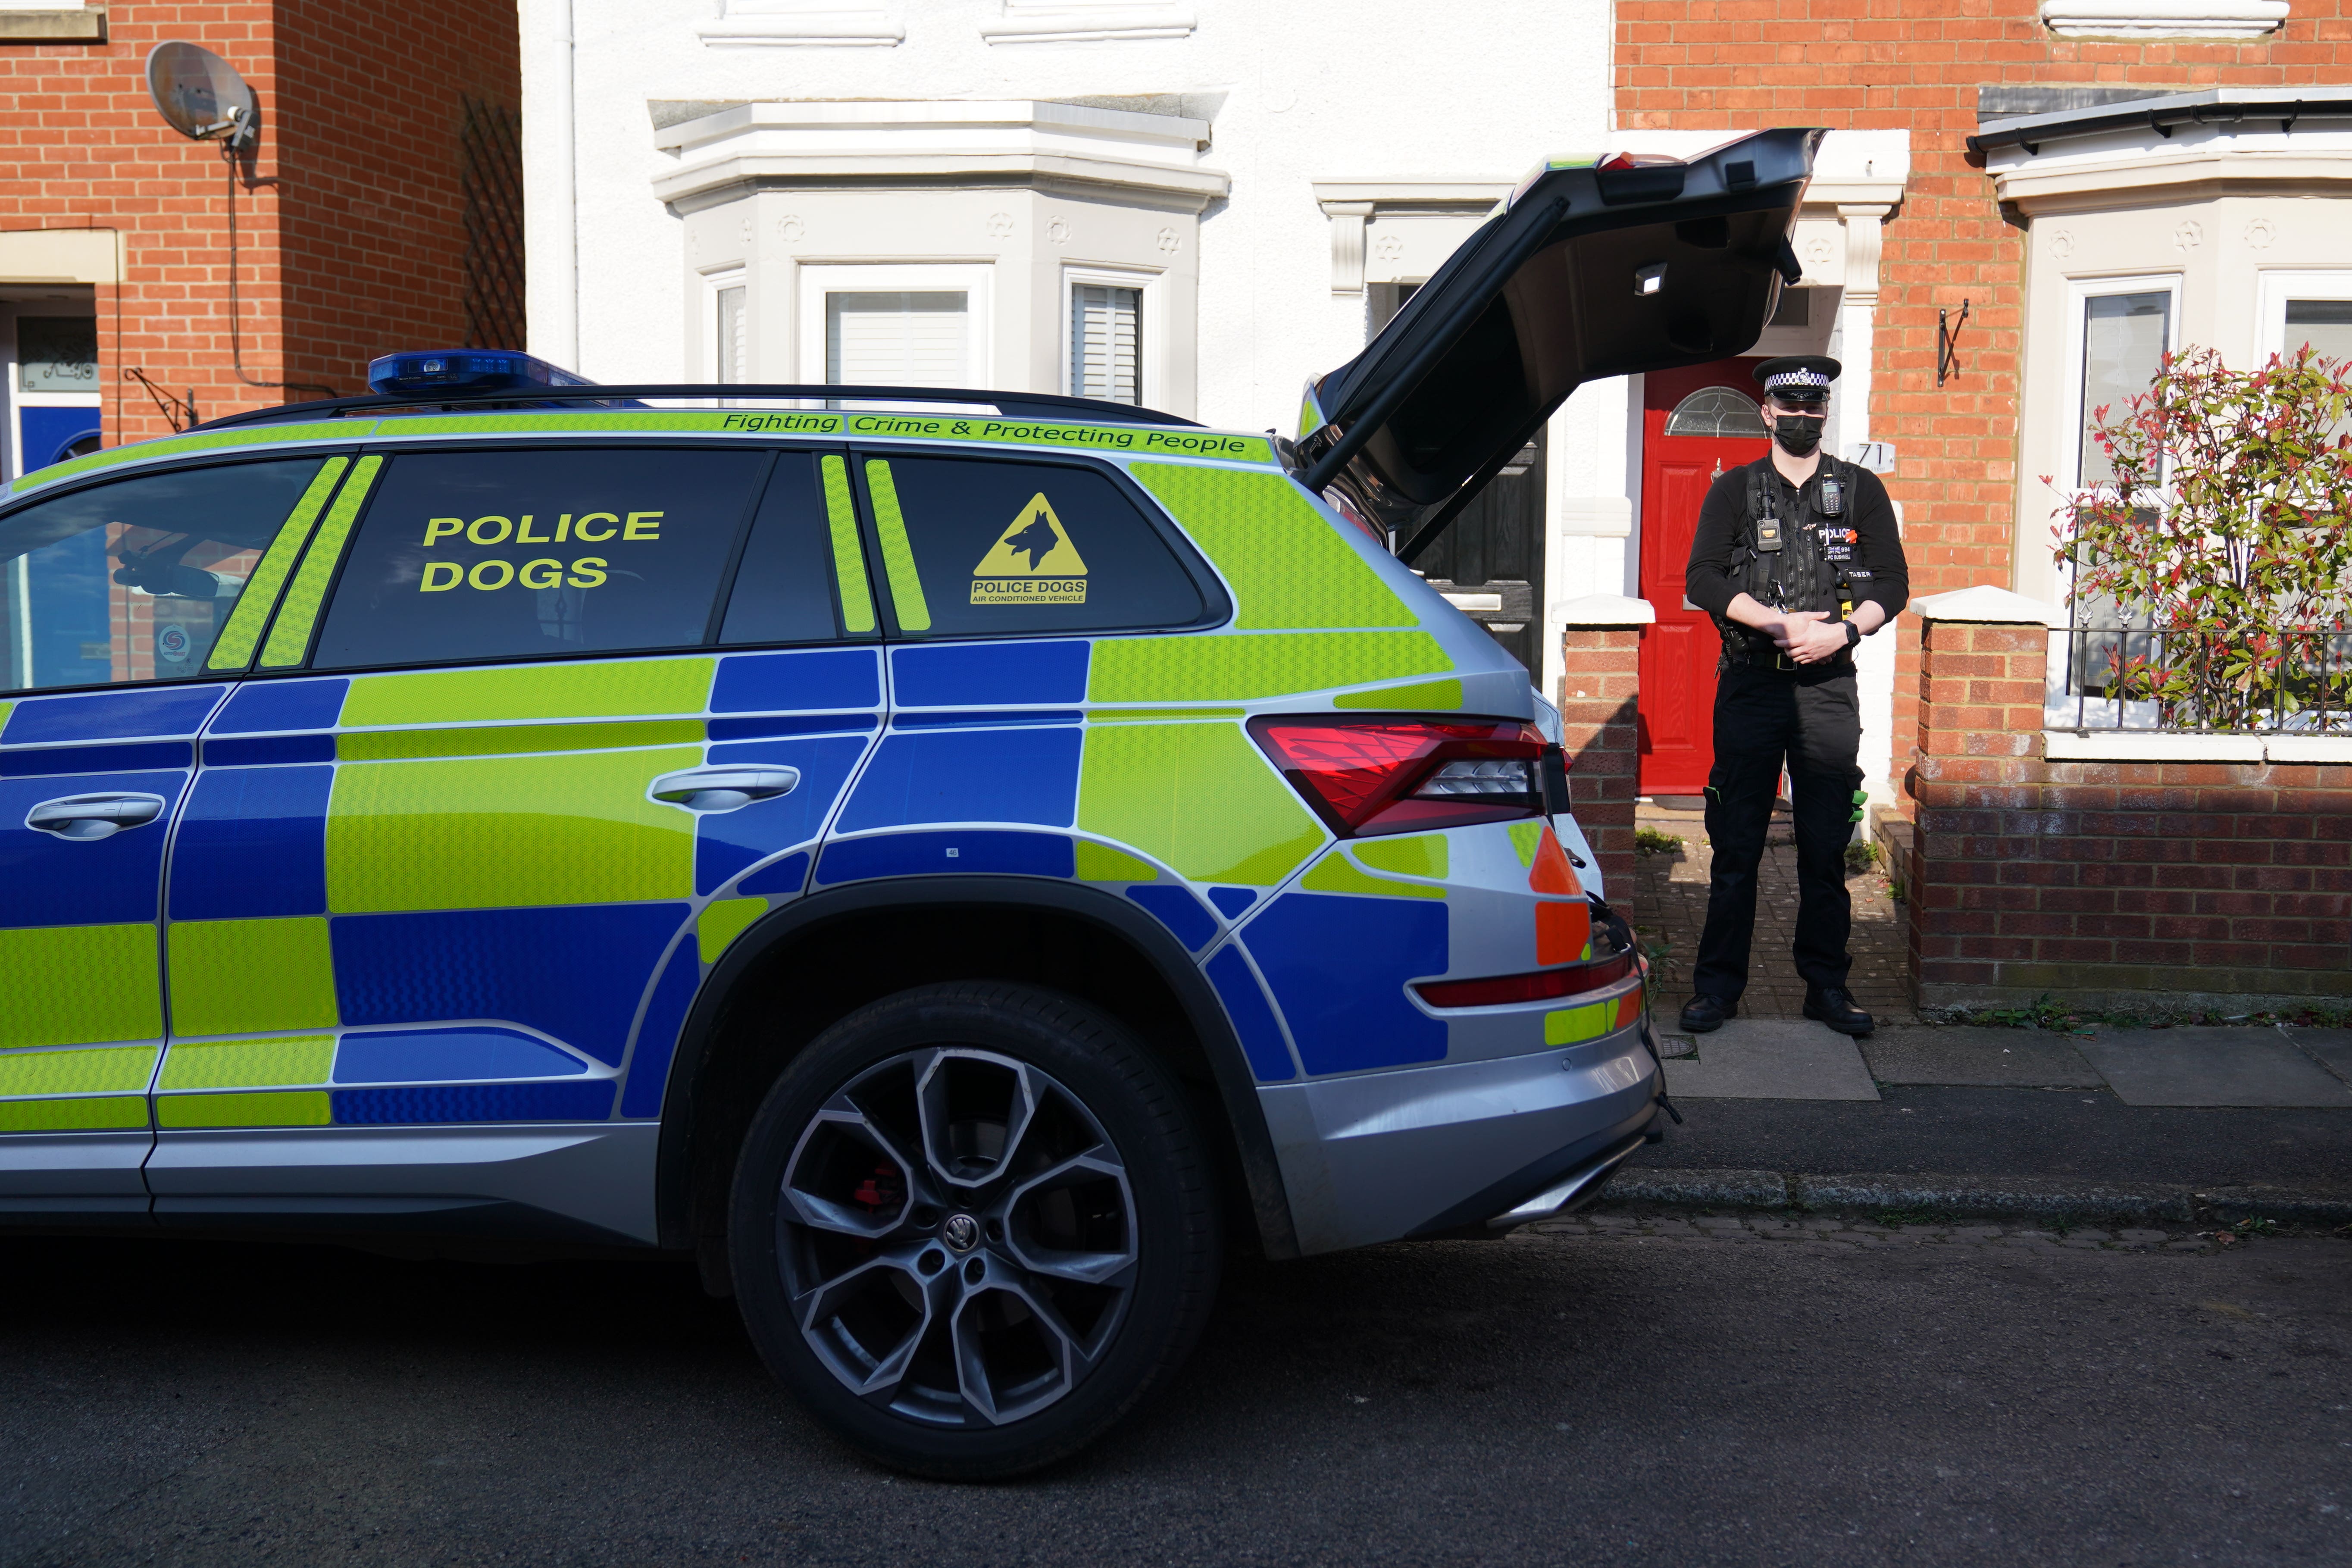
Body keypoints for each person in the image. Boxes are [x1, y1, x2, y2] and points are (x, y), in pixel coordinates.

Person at [1677, 355, 1907, 1038]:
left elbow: (1891, 585)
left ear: (1824, 413)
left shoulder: (1860, 490)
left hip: (1828, 688)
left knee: (1824, 845)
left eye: (1816, 406)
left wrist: (1840, 633)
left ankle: (1827, 987)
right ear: (1767, 413)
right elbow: (1702, 579)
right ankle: (1717, 989)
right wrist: (1775, 623)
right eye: (1791, 406)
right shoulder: (1734, 490)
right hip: (1752, 684)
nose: (1804, 416)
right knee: (1736, 844)